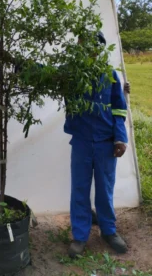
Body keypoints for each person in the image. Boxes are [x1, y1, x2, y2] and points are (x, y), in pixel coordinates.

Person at [65, 31, 129, 258]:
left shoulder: (110, 75)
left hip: (106, 144)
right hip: (81, 142)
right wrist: (22, 66)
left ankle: (108, 231)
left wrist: (120, 138)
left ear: (98, 48)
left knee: (105, 190)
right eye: (81, 45)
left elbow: (120, 110)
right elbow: (48, 74)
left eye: (90, 45)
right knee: (79, 190)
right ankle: (80, 236)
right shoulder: (71, 74)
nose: (85, 49)